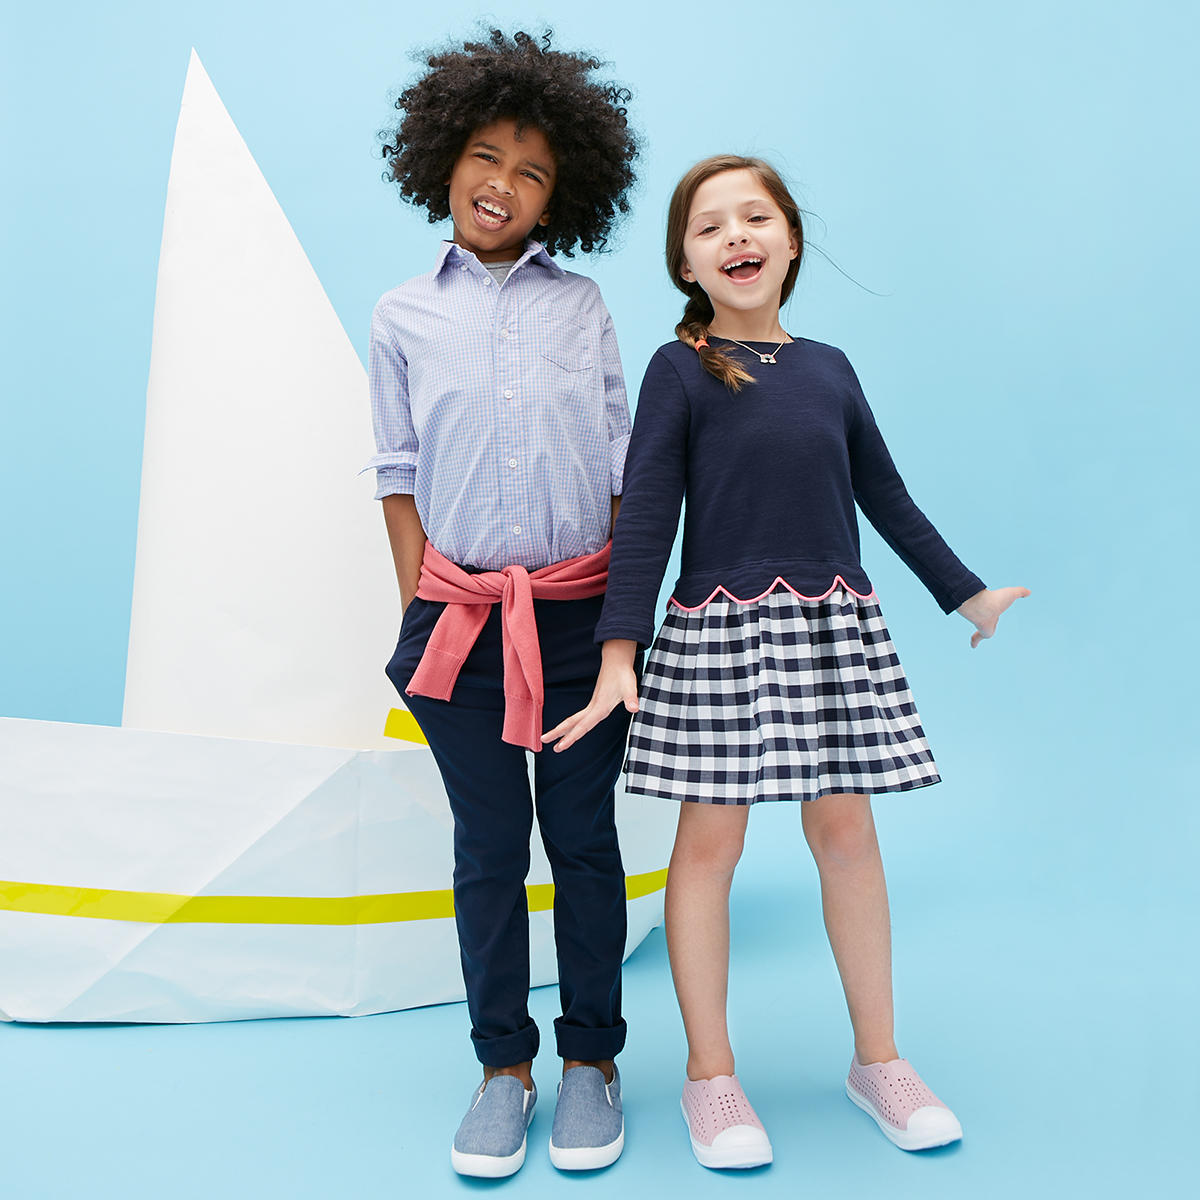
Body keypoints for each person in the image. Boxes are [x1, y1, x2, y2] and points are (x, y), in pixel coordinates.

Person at [544, 155, 1029, 1168]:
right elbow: (648, 519)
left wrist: (967, 592)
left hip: (830, 630)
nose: (736, 234)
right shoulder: (679, 370)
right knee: (709, 846)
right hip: (720, 634)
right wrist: (620, 652)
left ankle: (879, 1061)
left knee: (847, 835)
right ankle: (710, 1077)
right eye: (709, 225)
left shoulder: (831, 368)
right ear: (687, 263)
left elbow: (884, 496)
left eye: (755, 216)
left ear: (791, 240)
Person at [366, 29, 638, 1178]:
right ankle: (502, 1071)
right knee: (488, 849)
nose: (503, 184)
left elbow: (626, 472)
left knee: (582, 842)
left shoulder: (585, 309)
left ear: (559, 196)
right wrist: (422, 614)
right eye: (486, 156)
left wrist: (623, 626)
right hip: (461, 627)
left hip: (579, 620)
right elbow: (396, 474)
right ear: (443, 160)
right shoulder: (400, 316)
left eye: (532, 171)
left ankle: (591, 1063)